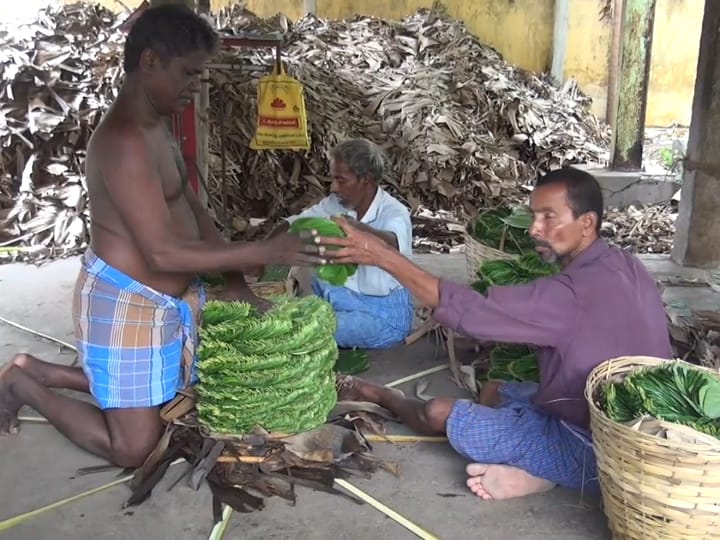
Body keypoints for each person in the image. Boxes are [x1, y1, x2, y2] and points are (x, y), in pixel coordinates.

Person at [0, 6, 323, 468]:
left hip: (165, 305)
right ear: (149, 60)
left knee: (166, 390)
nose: (195, 86)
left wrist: (235, 284)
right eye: (188, 74)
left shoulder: (159, 129)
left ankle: (39, 368)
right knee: (134, 448)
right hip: (126, 302)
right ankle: (21, 383)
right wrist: (266, 250)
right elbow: (161, 252)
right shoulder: (124, 140)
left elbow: (194, 211)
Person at [316, 167, 672, 500]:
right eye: (534, 215)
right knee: (492, 390)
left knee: (436, 412)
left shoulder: (571, 294)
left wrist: (381, 255)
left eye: (549, 217)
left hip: (597, 449)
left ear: (587, 223)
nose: (534, 229)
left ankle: (379, 394)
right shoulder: (623, 262)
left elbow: (472, 312)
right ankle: (537, 468)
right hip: (615, 423)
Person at [255, 138, 414, 350]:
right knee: (308, 283)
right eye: (333, 179)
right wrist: (260, 253)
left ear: (366, 179)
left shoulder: (394, 212)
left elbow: (393, 243)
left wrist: (358, 229)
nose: (334, 188)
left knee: (303, 330)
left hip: (385, 316)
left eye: (341, 180)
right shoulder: (336, 204)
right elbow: (296, 222)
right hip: (346, 296)